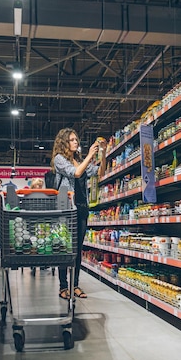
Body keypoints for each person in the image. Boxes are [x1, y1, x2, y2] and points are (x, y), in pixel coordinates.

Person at [51, 128, 105, 300]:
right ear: (64, 142)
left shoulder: (78, 160)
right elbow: (76, 173)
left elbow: (99, 173)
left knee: (77, 250)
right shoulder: (59, 159)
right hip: (66, 208)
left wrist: (103, 154)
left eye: (76, 139)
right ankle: (62, 286)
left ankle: (75, 285)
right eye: (72, 139)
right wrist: (90, 155)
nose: (76, 142)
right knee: (64, 248)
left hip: (82, 207)